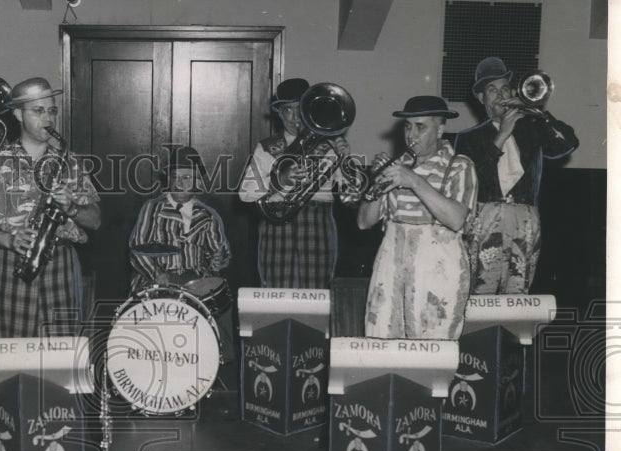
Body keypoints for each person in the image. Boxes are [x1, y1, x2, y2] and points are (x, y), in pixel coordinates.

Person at [0, 77, 100, 338]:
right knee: (7, 362)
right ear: (17, 113)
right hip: (9, 265)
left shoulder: (69, 163)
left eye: (51, 111)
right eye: (38, 111)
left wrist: (72, 208)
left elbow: (95, 220)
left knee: (60, 361)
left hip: (60, 266)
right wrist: (8, 239)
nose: (47, 119)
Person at [455, 57, 578, 294]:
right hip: (485, 215)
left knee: (518, 293)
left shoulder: (532, 127)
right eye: (492, 90)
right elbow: (471, 178)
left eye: (505, 88)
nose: (501, 95)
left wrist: (538, 111)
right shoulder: (468, 138)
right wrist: (502, 134)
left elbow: (567, 144)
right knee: (481, 291)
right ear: (481, 98)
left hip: (526, 216)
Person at [357, 96, 477, 339]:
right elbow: (363, 222)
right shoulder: (396, 166)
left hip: (437, 273)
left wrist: (414, 181)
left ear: (441, 129)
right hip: (391, 271)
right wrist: (378, 183)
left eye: (421, 127)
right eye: (408, 126)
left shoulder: (460, 165)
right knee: (382, 345)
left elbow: (456, 220)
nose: (411, 135)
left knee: (433, 349)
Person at [239, 78, 352, 289]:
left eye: (299, 109)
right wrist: (279, 180)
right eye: (287, 110)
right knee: (275, 292)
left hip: (318, 223)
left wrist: (343, 159)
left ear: (310, 110)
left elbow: (349, 193)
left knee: (318, 293)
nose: (294, 117)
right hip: (276, 223)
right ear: (279, 114)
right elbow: (245, 193)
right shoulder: (266, 148)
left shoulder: (330, 144)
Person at [129, 145, 231, 293]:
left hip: (196, 282)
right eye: (174, 177)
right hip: (158, 280)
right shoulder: (152, 208)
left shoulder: (207, 215)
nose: (179, 183)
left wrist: (218, 259)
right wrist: (156, 273)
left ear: (198, 182)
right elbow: (137, 251)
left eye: (186, 178)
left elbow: (220, 254)